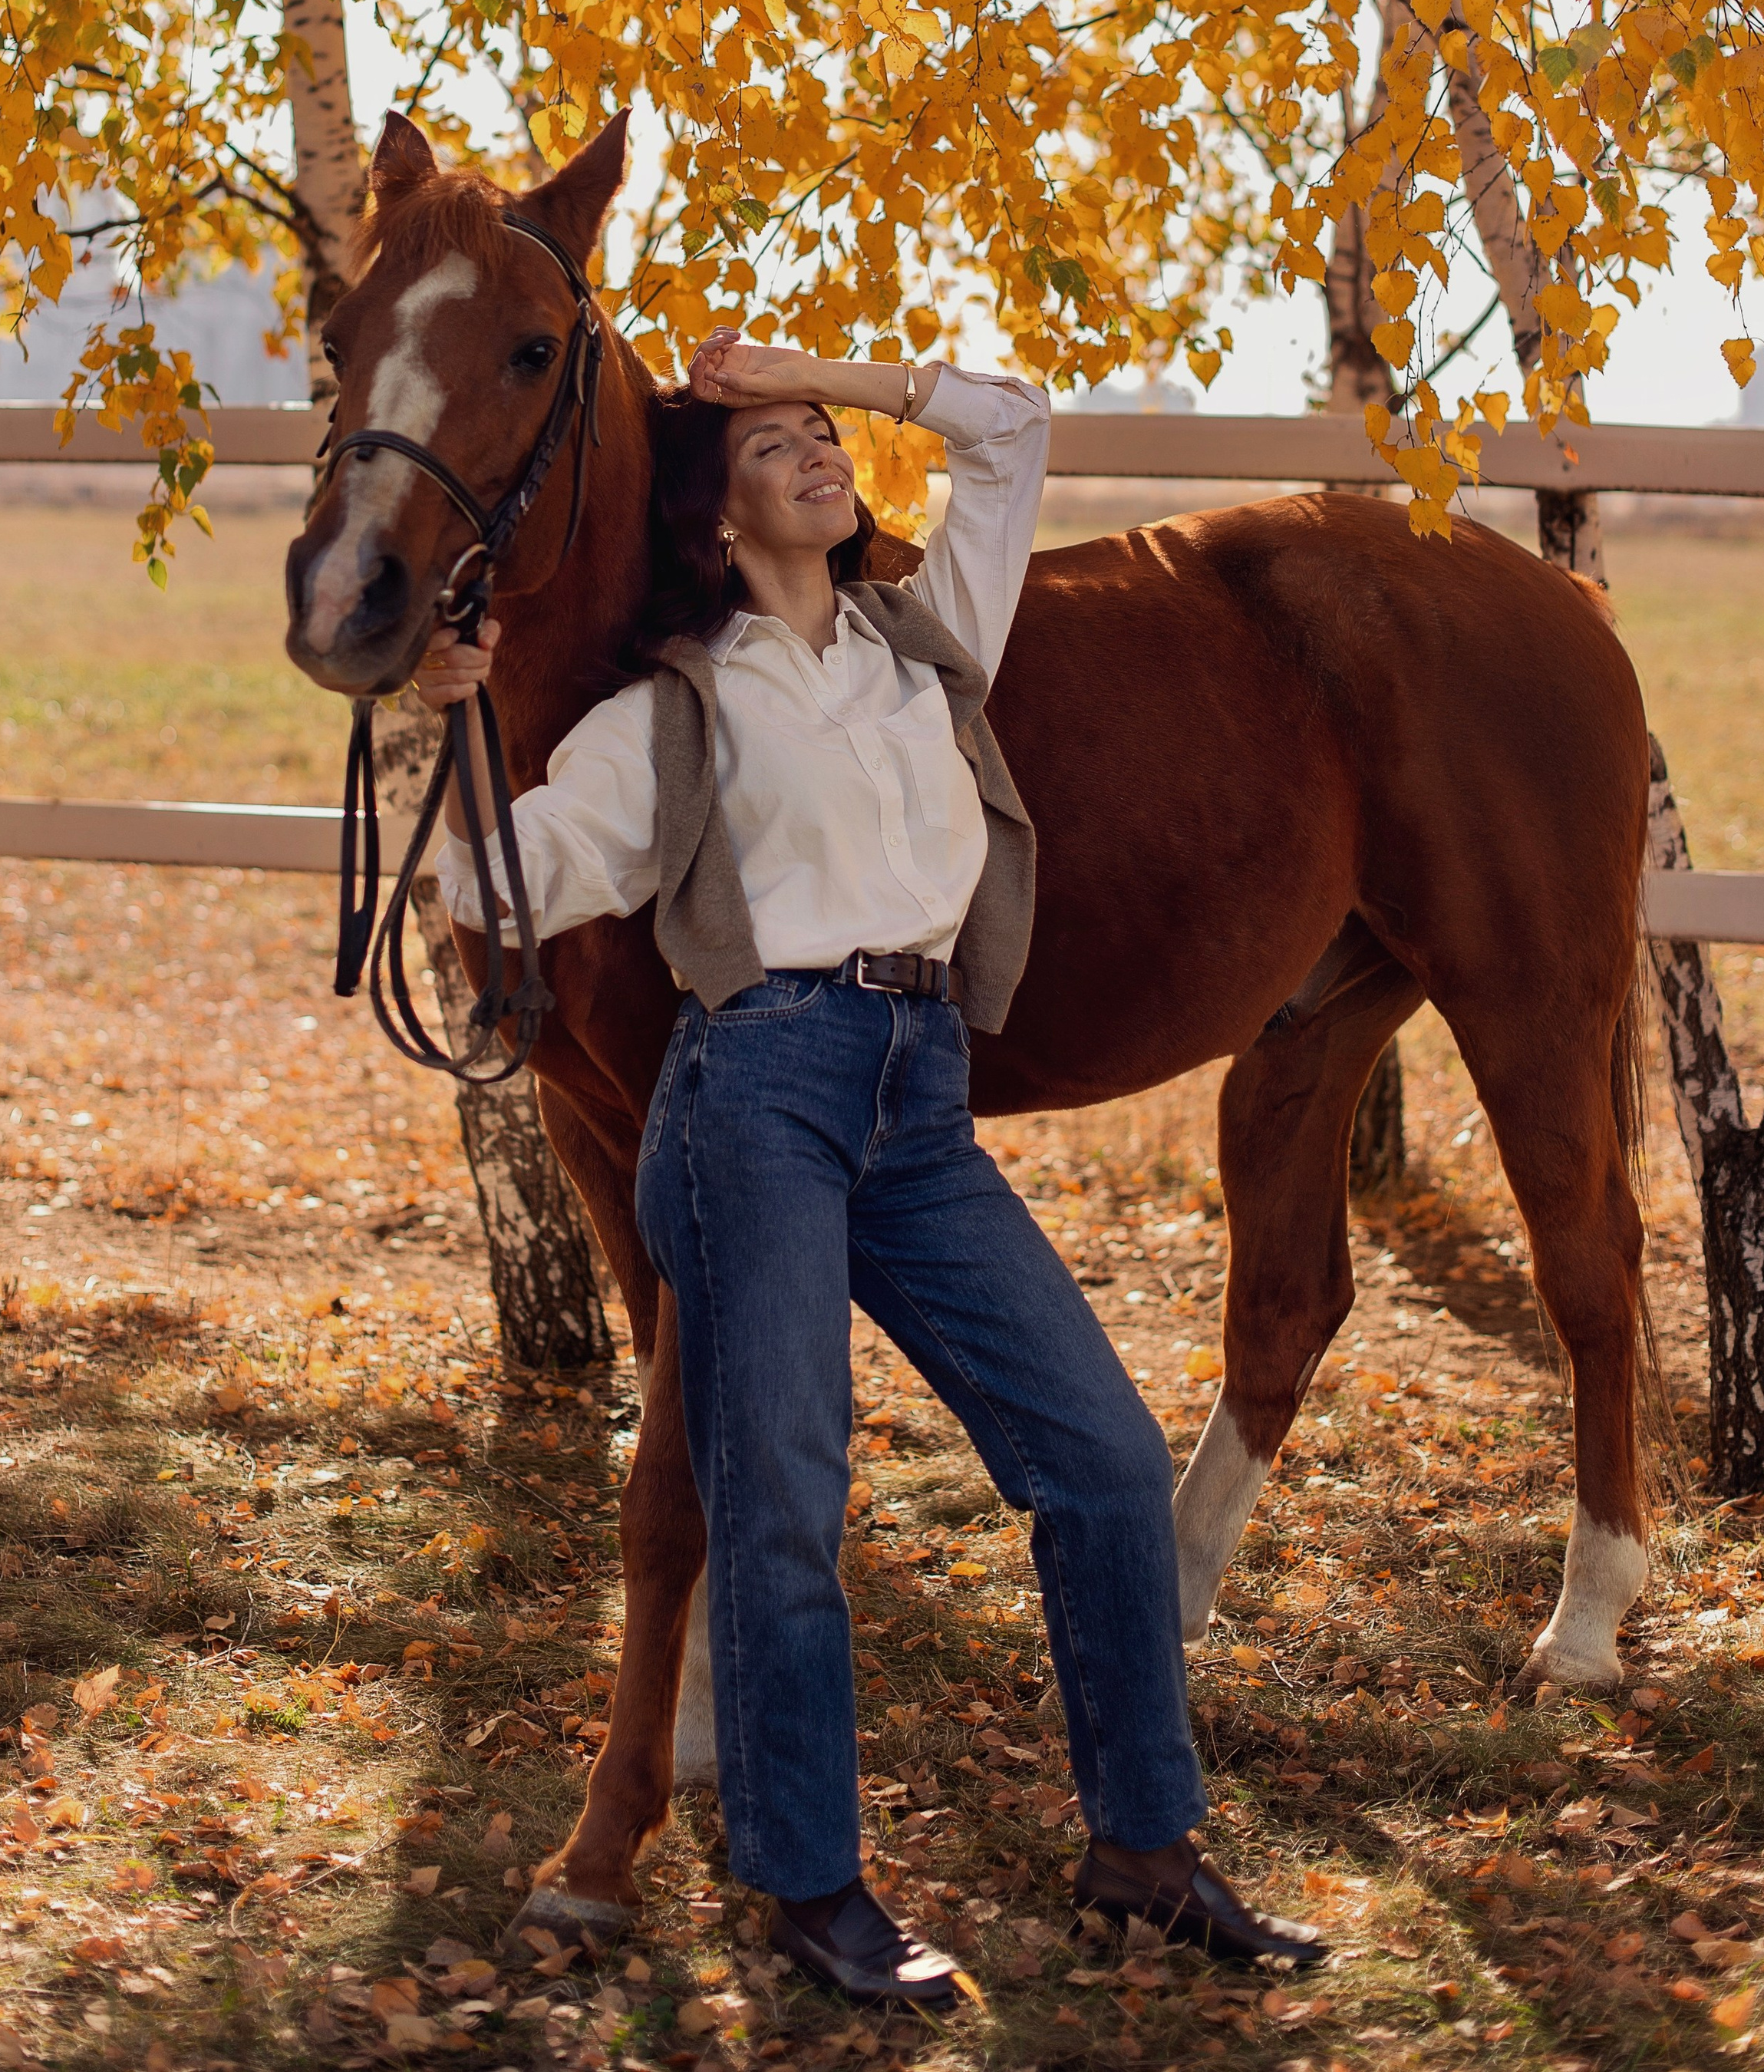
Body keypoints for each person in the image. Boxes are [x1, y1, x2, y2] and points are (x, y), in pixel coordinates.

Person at [417, 335, 1324, 2004]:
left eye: (820, 438)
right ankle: (808, 1887)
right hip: (753, 1090)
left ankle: (1143, 1848)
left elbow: (1008, 428)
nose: (815, 453)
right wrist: (456, 722)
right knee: (783, 1500)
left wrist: (806, 364)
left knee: (1102, 1456)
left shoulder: (931, 646)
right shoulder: (668, 712)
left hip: (920, 1094)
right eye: (769, 450)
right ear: (716, 521)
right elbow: (488, 884)